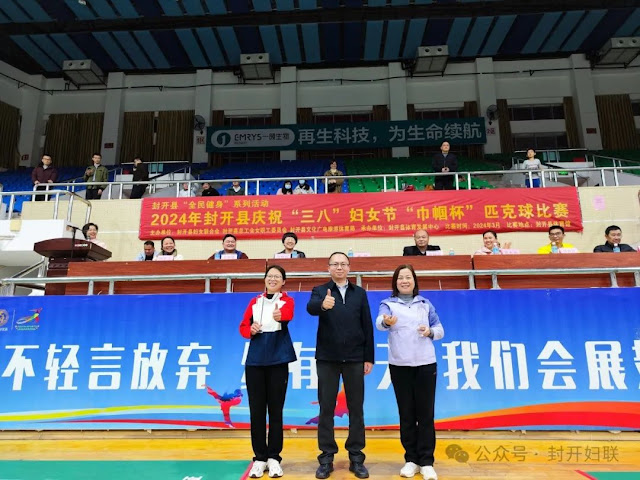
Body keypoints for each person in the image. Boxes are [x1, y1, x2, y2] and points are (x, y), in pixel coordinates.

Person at [306, 252, 374, 480]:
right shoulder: (321, 290)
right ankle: (326, 458)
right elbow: (311, 308)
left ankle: (356, 457)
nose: (339, 268)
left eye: (343, 264)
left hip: (355, 358)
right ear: (328, 268)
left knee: (356, 408)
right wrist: (323, 305)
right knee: (326, 408)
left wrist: (369, 357)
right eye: (335, 264)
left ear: (349, 267)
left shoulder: (359, 293)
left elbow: (367, 326)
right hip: (328, 358)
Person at [376, 265, 443, 480]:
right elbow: (379, 323)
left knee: (425, 414)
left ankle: (427, 462)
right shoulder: (388, 304)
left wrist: (430, 331)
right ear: (395, 282)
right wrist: (387, 322)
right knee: (406, 415)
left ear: (414, 281)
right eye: (400, 278)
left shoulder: (425, 304)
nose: (405, 281)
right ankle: (411, 460)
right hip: (400, 365)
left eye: (408, 277)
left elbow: (440, 329)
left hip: (425, 364)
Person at [240, 265, 297, 479]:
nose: (273, 279)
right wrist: (250, 330)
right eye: (269, 276)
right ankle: (259, 458)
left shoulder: (287, 301)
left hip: (278, 360)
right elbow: (243, 327)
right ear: (264, 280)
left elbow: (289, 315)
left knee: (275, 410)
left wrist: (280, 315)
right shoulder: (254, 302)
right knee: (256, 411)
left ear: (283, 282)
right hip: (255, 362)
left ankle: (274, 457)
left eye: (277, 277)